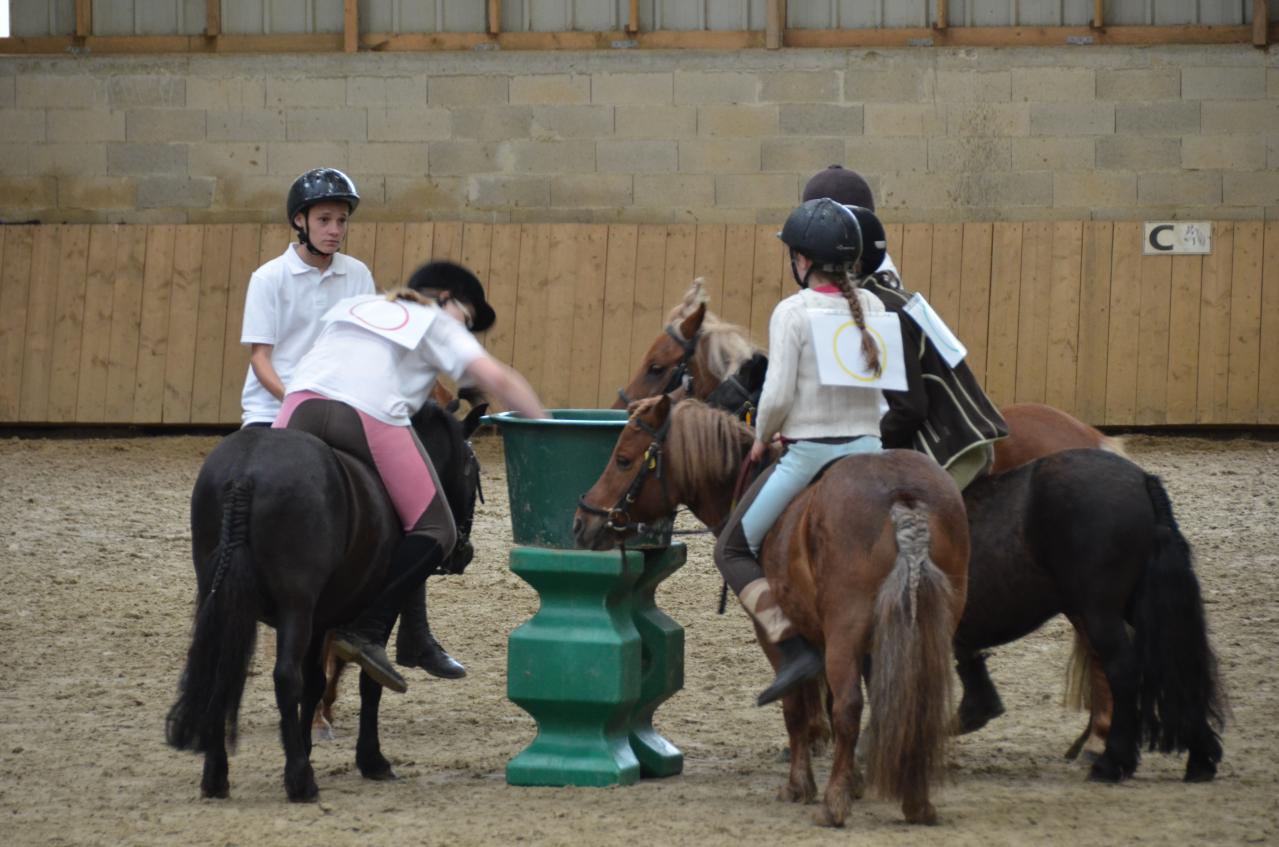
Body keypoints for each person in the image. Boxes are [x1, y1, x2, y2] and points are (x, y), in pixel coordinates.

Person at [273, 261, 547, 694]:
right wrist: (548, 427)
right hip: (363, 413)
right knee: (437, 529)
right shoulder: (437, 321)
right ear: (446, 300)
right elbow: (498, 378)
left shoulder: (355, 305)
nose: (468, 329)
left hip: (296, 408)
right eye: (469, 318)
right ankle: (366, 630)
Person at [713, 198, 889, 707]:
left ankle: (792, 648)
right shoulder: (874, 306)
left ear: (803, 260)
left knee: (731, 550)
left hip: (811, 452)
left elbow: (778, 397)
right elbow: (881, 393)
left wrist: (765, 435)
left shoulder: (792, 311)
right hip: (871, 451)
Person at [803, 165, 1007, 490]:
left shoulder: (876, 305)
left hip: (944, 448)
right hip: (967, 431)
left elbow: (906, 408)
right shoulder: (886, 287)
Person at [239, 167, 375, 428]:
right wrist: (294, 402)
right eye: (324, 220)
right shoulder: (268, 278)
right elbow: (260, 358)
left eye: (342, 220)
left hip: (336, 406)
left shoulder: (357, 274)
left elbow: (364, 350)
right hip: (271, 409)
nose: (335, 230)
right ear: (300, 220)